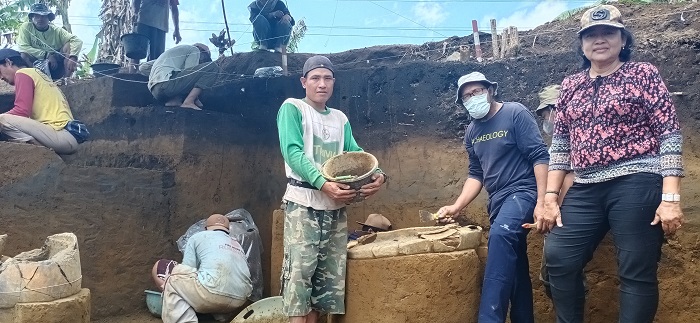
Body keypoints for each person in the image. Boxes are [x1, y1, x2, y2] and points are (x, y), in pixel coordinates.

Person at [540, 5, 684, 323]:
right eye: (591, 34)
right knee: (559, 256)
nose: (599, 39)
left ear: (623, 39)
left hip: (638, 179)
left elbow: (669, 134)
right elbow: (561, 144)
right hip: (586, 184)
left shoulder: (643, 74)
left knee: (636, 268)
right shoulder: (570, 86)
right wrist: (550, 197)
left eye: (608, 33)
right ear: (581, 44)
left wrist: (670, 196)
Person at [277, 55, 387, 323]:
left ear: (333, 83)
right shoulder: (292, 108)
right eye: (315, 78)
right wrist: (324, 184)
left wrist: (379, 174)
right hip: (304, 202)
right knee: (299, 277)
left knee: (325, 281)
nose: (321, 84)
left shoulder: (339, 118)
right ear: (304, 82)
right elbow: (293, 152)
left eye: (327, 78)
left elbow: (355, 152)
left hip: (335, 207)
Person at [437, 72, 549, 323]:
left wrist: (543, 202)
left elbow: (540, 156)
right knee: (516, 266)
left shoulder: (514, 113)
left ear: (490, 90)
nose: (472, 98)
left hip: (523, 192)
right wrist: (456, 206)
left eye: (476, 92)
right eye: (466, 96)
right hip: (497, 200)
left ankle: (489, 319)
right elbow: (476, 174)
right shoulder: (472, 132)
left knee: (500, 236)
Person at [154, 214, 253, 323]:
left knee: (172, 277)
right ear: (228, 230)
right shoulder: (237, 244)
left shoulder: (198, 237)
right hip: (240, 300)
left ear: (206, 228)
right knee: (214, 284)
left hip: (211, 293)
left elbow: (186, 269)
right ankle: (218, 317)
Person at [533, 84, 578, 299]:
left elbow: (570, 178)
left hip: (569, 212)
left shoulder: (578, 137)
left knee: (558, 272)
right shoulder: (556, 144)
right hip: (558, 211)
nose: (546, 120)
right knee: (551, 275)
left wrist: (552, 207)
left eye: (546, 114)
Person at [0, 48, 86, 154]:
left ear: (8, 62)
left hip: (60, 135)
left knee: (2, 120)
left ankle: (41, 153)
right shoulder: (38, 75)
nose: (1, 77)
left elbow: (21, 111)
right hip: (65, 136)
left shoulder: (23, 73)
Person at [16, 3, 82, 80]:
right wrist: (46, 55)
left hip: (56, 64)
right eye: (37, 16)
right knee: (23, 55)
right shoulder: (26, 27)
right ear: (32, 18)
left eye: (43, 16)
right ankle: (36, 80)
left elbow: (77, 40)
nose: (40, 19)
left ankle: (66, 79)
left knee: (68, 45)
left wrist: (73, 57)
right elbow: (23, 47)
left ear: (48, 18)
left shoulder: (56, 31)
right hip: (35, 62)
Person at [144, 43, 221, 110]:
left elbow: (143, 68)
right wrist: (196, 99)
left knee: (177, 75)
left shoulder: (172, 55)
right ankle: (189, 101)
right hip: (167, 85)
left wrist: (159, 77)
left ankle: (174, 100)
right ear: (202, 52)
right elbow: (189, 74)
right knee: (212, 67)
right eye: (205, 57)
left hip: (155, 91)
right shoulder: (194, 50)